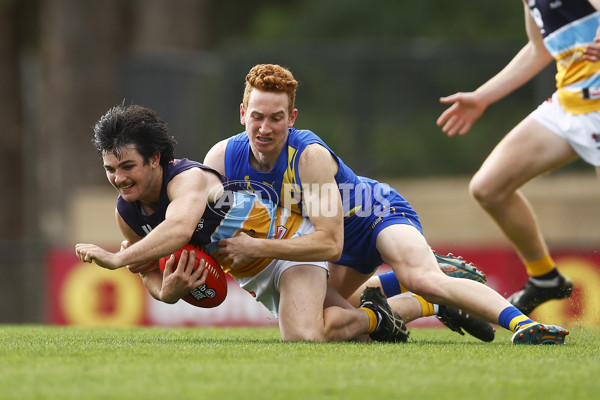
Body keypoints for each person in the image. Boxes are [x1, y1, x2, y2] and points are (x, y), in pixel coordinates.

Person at [203, 63, 568, 344]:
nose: (265, 128)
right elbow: (199, 219)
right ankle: (434, 303)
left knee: (421, 277)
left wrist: (254, 246)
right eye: (257, 117)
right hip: (333, 247)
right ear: (242, 114)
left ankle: (525, 325)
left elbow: (331, 242)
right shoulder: (222, 158)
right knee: (343, 326)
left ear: (292, 119)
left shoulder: (308, 156)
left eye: (276, 118)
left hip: (375, 214)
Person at [74, 103, 408, 343]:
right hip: (254, 275)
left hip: (286, 245)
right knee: (342, 326)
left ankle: (385, 313)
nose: (119, 179)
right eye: (110, 170)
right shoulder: (127, 213)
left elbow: (178, 229)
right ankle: (407, 307)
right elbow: (147, 269)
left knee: (305, 335)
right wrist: (165, 293)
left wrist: (117, 258)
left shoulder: (187, 180)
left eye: (128, 166)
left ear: (155, 159)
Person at [437, 0, 600, 315]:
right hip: (569, 104)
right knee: (489, 187)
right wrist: (483, 96)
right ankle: (545, 277)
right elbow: (537, 49)